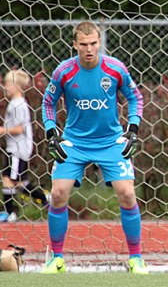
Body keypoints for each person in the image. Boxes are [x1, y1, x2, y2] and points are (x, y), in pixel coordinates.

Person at [40, 21, 147, 274]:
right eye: (83, 44)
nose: (89, 49)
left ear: (99, 43)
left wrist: (133, 129)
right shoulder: (64, 71)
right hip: (74, 142)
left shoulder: (115, 68)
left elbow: (135, 98)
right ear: (74, 45)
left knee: (127, 194)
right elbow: (48, 102)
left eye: (93, 44)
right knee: (58, 194)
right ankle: (57, 259)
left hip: (111, 142)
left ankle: (136, 258)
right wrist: (51, 132)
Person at [1, 70, 48, 223]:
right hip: (14, 149)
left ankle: (10, 213)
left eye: (8, 84)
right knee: (21, 183)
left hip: (18, 149)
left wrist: (3, 130)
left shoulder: (18, 104)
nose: (5, 87)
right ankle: (45, 198)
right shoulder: (14, 103)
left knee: (8, 180)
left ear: (16, 86)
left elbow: (20, 129)